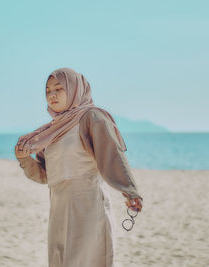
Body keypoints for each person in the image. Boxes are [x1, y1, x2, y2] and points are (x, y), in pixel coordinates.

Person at [15, 67, 142, 267]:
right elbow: (45, 175)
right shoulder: (51, 130)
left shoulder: (91, 117)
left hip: (88, 205)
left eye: (59, 88)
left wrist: (130, 191)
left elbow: (112, 155)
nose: (52, 94)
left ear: (75, 89)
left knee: (88, 260)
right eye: (48, 91)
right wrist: (24, 159)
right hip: (58, 208)